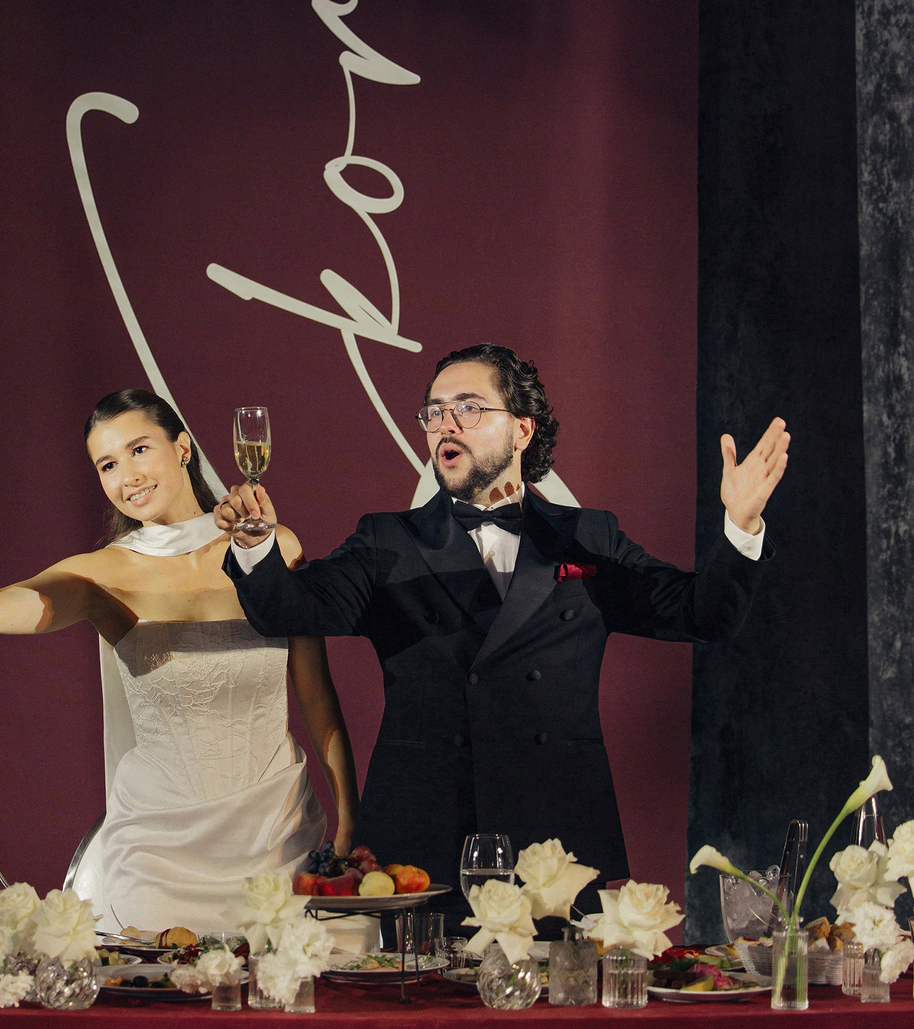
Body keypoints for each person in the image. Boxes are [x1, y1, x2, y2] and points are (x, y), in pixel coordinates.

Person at [216, 343, 788, 927]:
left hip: (554, 845)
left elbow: (703, 614)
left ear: (522, 430)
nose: (446, 424)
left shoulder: (589, 536)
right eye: (434, 412)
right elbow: (292, 611)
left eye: (468, 408)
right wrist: (255, 547)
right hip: (426, 844)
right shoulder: (387, 541)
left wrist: (741, 526)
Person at [0, 388, 358, 934]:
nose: (128, 476)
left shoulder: (272, 547)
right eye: (108, 465)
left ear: (183, 448)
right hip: (158, 854)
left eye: (139, 449)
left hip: (278, 837)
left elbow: (317, 697)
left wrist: (349, 822)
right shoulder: (101, 573)